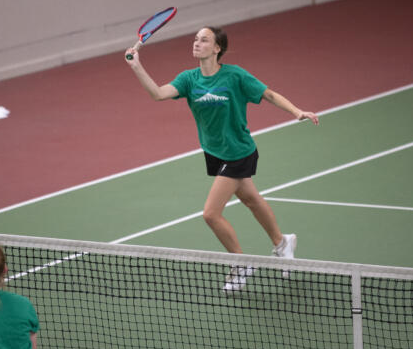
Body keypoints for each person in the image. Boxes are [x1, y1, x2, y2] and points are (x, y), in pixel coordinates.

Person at [125, 26, 319, 292]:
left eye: (204, 40)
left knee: (210, 214)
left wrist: (297, 111)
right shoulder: (189, 79)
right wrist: (136, 66)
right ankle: (282, 241)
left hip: (238, 151)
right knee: (250, 199)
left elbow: (269, 94)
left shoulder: (235, 75)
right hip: (214, 152)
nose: (197, 43)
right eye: (195, 39)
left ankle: (241, 263)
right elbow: (158, 94)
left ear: (217, 48)